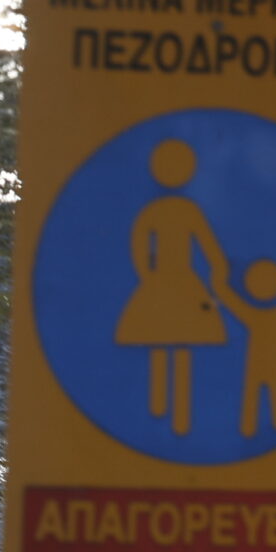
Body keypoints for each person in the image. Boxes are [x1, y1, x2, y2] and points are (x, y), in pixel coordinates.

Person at [114, 138, 227, 436]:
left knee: (166, 341)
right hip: (176, 281)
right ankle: (172, 417)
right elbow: (210, 249)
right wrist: (217, 271)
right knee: (179, 344)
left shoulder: (157, 211)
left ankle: (163, 413)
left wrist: (147, 276)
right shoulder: (183, 209)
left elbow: (139, 248)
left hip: (164, 281)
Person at [215, 260, 276, 437]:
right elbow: (234, 304)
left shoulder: (273, 316)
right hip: (262, 361)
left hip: (268, 361)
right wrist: (220, 287)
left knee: (271, 393)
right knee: (259, 393)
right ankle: (251, 428)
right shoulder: (263, 315)